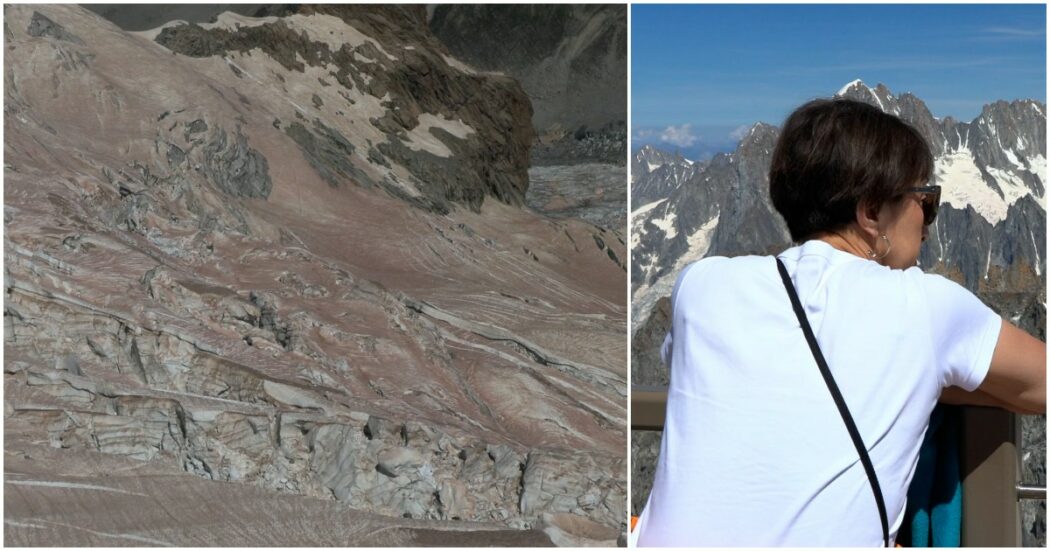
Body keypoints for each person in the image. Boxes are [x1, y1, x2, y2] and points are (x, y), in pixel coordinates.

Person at [632, 98, 1046, 546]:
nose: (929, 224)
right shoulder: (924, 306)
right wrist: (920, 377)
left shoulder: (702, 285)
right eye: (925, 202)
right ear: (870, 212)